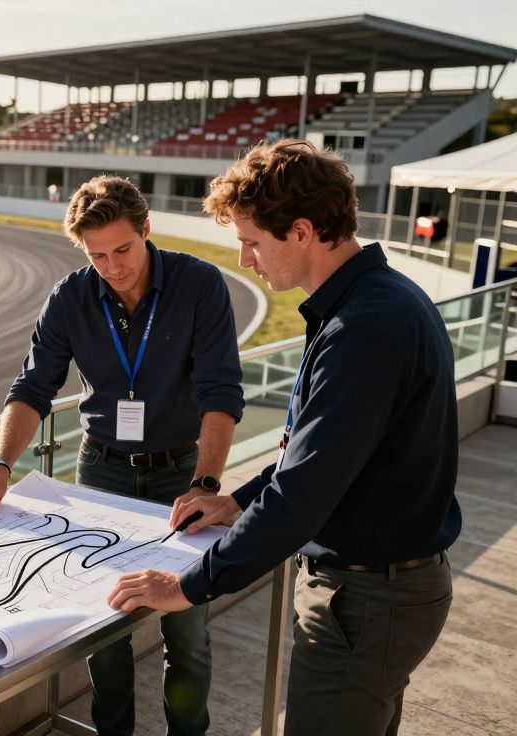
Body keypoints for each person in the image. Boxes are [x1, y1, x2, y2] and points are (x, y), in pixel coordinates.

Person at [107, 140, 460, 735]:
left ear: (300, 231)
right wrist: (237, 501)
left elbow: (305, 493)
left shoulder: (363, 329)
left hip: (367, 599)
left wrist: (188, 586)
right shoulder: (376, 303)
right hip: (380, 593)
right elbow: (324, 453)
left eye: (250, 241)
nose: (245, 259)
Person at [0, 175, 245, 736]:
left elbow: (220, 395)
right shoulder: (70, 296)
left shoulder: (199, 285)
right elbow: (32, 388)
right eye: (98, 256)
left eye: (123, 250)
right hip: (100, 470)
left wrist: (207, 484)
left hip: (183, 475)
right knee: (102, 625)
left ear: (146, 229)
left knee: (186, 630)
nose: (113, 267)